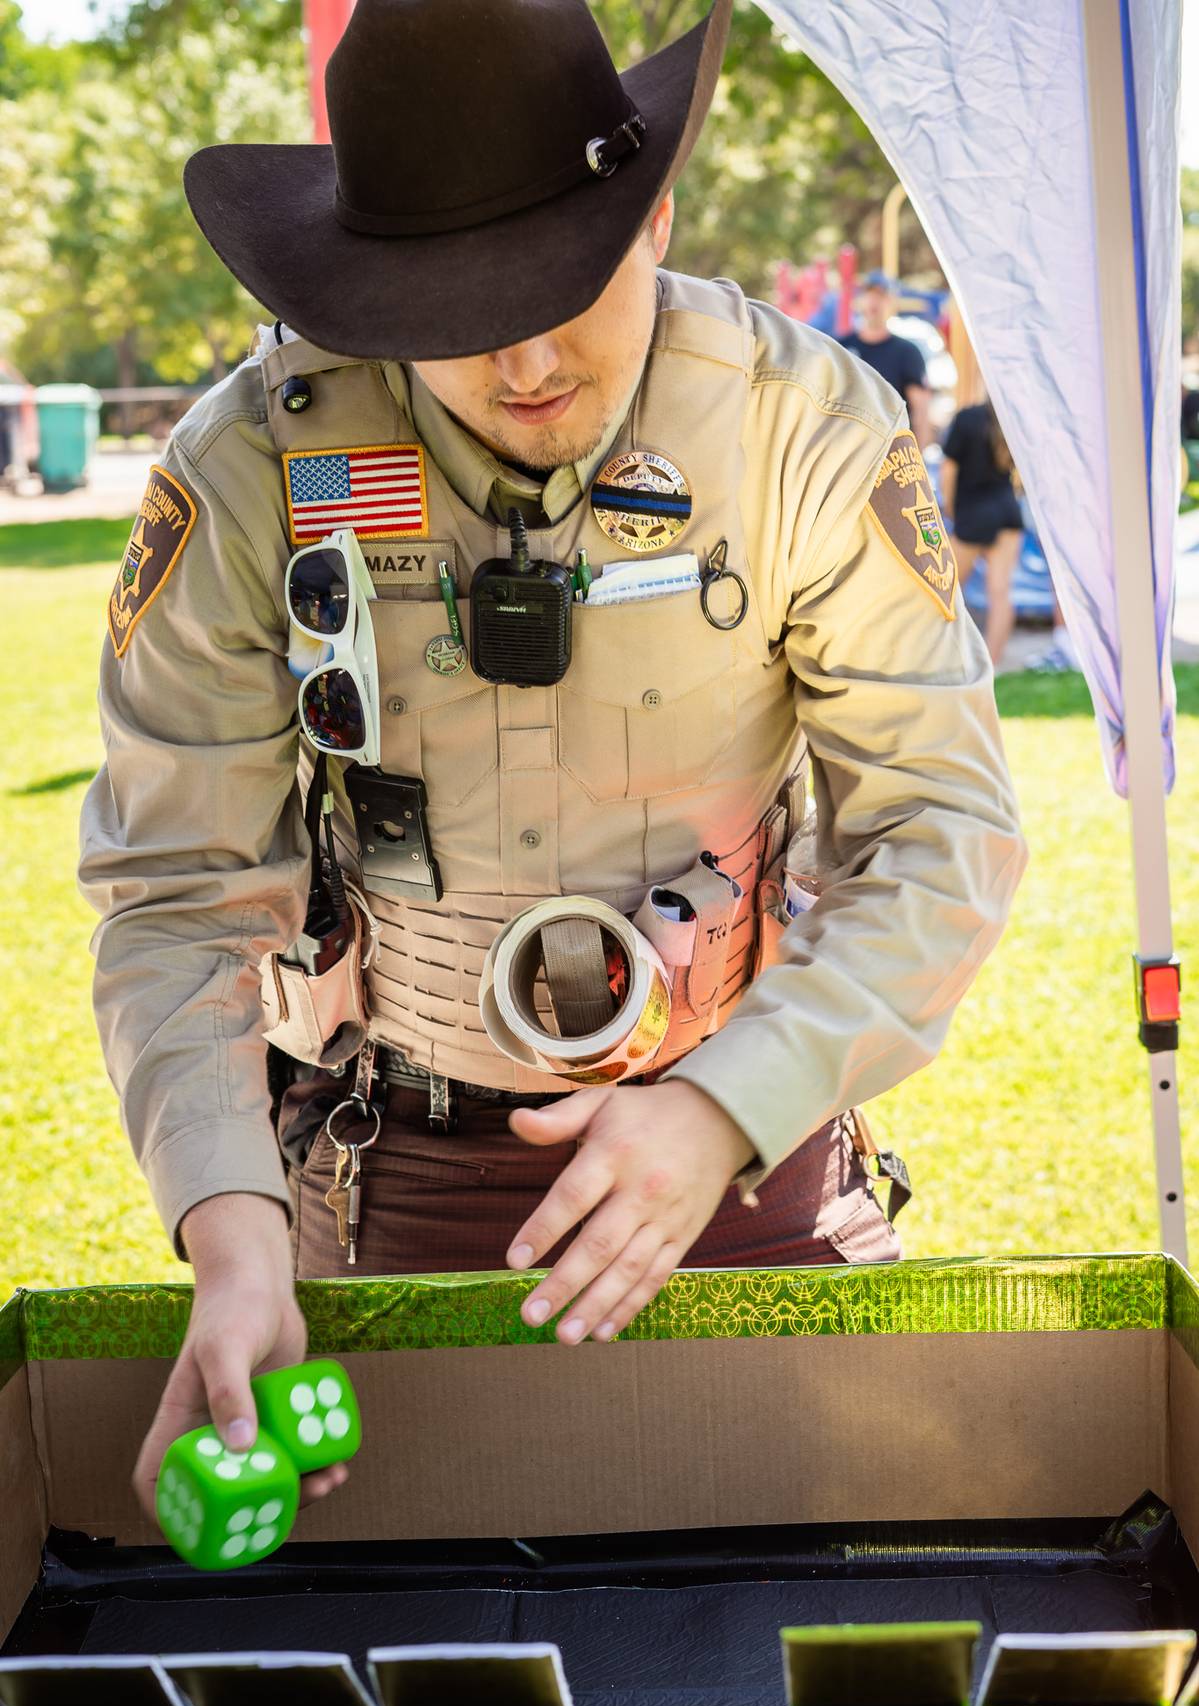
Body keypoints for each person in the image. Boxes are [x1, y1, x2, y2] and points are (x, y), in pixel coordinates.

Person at [77, 0, 1026, 1519]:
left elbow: (937, 829)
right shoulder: (253, 466)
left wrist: (724, 1108)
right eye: (453, 306)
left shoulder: (799, 433)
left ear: (655, 221)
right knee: (409, 1637)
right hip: (387, 1167)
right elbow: (179, 893)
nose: (521, 358)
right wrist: (231, 1225)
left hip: (747, 1160)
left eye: (562, 288)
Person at [940, 397, 1024, 668]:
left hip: (974, 514)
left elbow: (948, 470)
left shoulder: (968, 417)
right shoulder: (1013, 419)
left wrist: (950, 509)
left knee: (945, 591)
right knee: (1000, 593)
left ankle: (941, 658)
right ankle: (992, 664)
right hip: (1008, 511)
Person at [837, 271, 931, 450]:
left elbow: (921, 412)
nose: (874, 301)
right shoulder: (842, 348)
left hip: (892, 451)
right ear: (860, 300)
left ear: (891, 302)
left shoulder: (907, 352)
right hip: (850, 450)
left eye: (881, 295)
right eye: (869, 294)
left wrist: (918, 455)